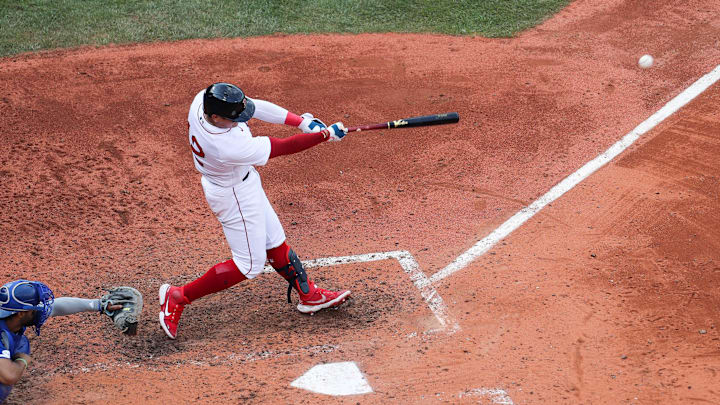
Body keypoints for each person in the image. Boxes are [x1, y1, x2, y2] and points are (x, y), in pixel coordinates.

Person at [158, 82, 351, 339]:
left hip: (244, 181)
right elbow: (284, 147)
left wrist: (302, 123)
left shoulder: (202, 102)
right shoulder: (227, 147)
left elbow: (256, 107)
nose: (240, 119)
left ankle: (309, 296)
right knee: (249, 265)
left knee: (274, 239)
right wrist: (323, 136)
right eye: (233, 118)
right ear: (215, 117)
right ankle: (178, 296)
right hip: (232, 195)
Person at [0, 279, 135, 403]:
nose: (41, 310)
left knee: (20, 343)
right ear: (21, 313)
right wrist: (22, 361)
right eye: (36, 308)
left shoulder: (13, 316)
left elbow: (56, 306)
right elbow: (9, 376)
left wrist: (100, 305)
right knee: (18, 353)